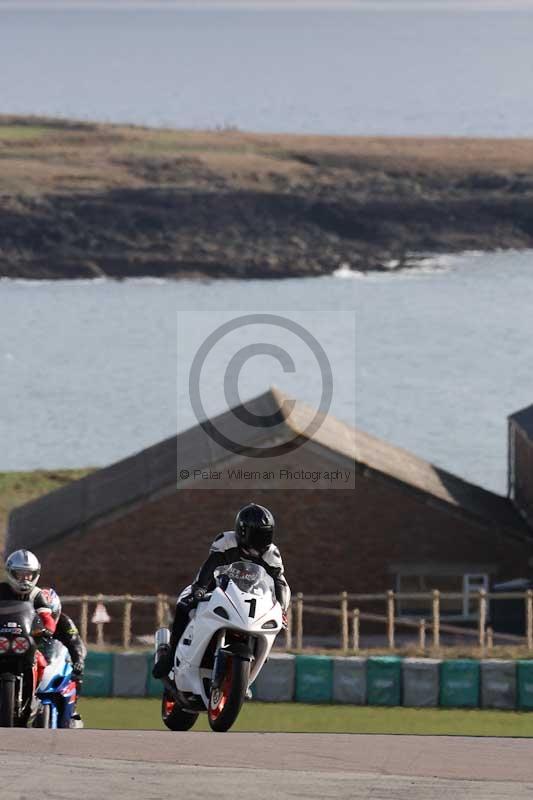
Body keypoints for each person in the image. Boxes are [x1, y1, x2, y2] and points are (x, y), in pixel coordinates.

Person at [153, 503, 290, 679]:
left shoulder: (272, 554)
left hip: (250, 599)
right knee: (184, 604)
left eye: (265, 535)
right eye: (257, 535)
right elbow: (210, 566)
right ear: (242, 531)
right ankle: (170, 657)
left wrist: (282, 608)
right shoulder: (226, 541)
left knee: (270, 625)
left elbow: (280, 582)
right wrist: (200, 588)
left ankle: (248, 672)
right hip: (219, 590)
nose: (261, 541)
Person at [0, 549, 57, 684]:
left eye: (28, 575)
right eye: (20, 574)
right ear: (11, 573)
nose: (25, 579)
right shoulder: (1, 590)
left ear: (35, 574)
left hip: (26, 639)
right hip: (1, 637)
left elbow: (46, 616)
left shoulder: (37, 594)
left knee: (41, 664)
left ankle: (34, 695)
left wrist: (48, 629)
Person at [40, 587, 87, 728]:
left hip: (56, 661)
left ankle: (72, 710)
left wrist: (79, 660)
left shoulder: (65, 622)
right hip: (34, 662)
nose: (46, 619)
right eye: (42, 615)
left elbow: (75, 642)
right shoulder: (30, 621)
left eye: (50, 614)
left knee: (77, 674)